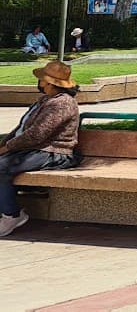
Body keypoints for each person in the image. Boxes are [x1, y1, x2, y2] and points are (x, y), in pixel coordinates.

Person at [0, 60, 81, 237]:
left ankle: (12, 215)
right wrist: (4, 144)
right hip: (34, 150)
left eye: (43, 79)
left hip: (54, 152)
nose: (40, 82)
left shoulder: (62, 103)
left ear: (51, 83)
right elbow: (22, 128)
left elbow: (37, 134)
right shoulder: (45, 100)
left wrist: (7, 148)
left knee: (2, 167)